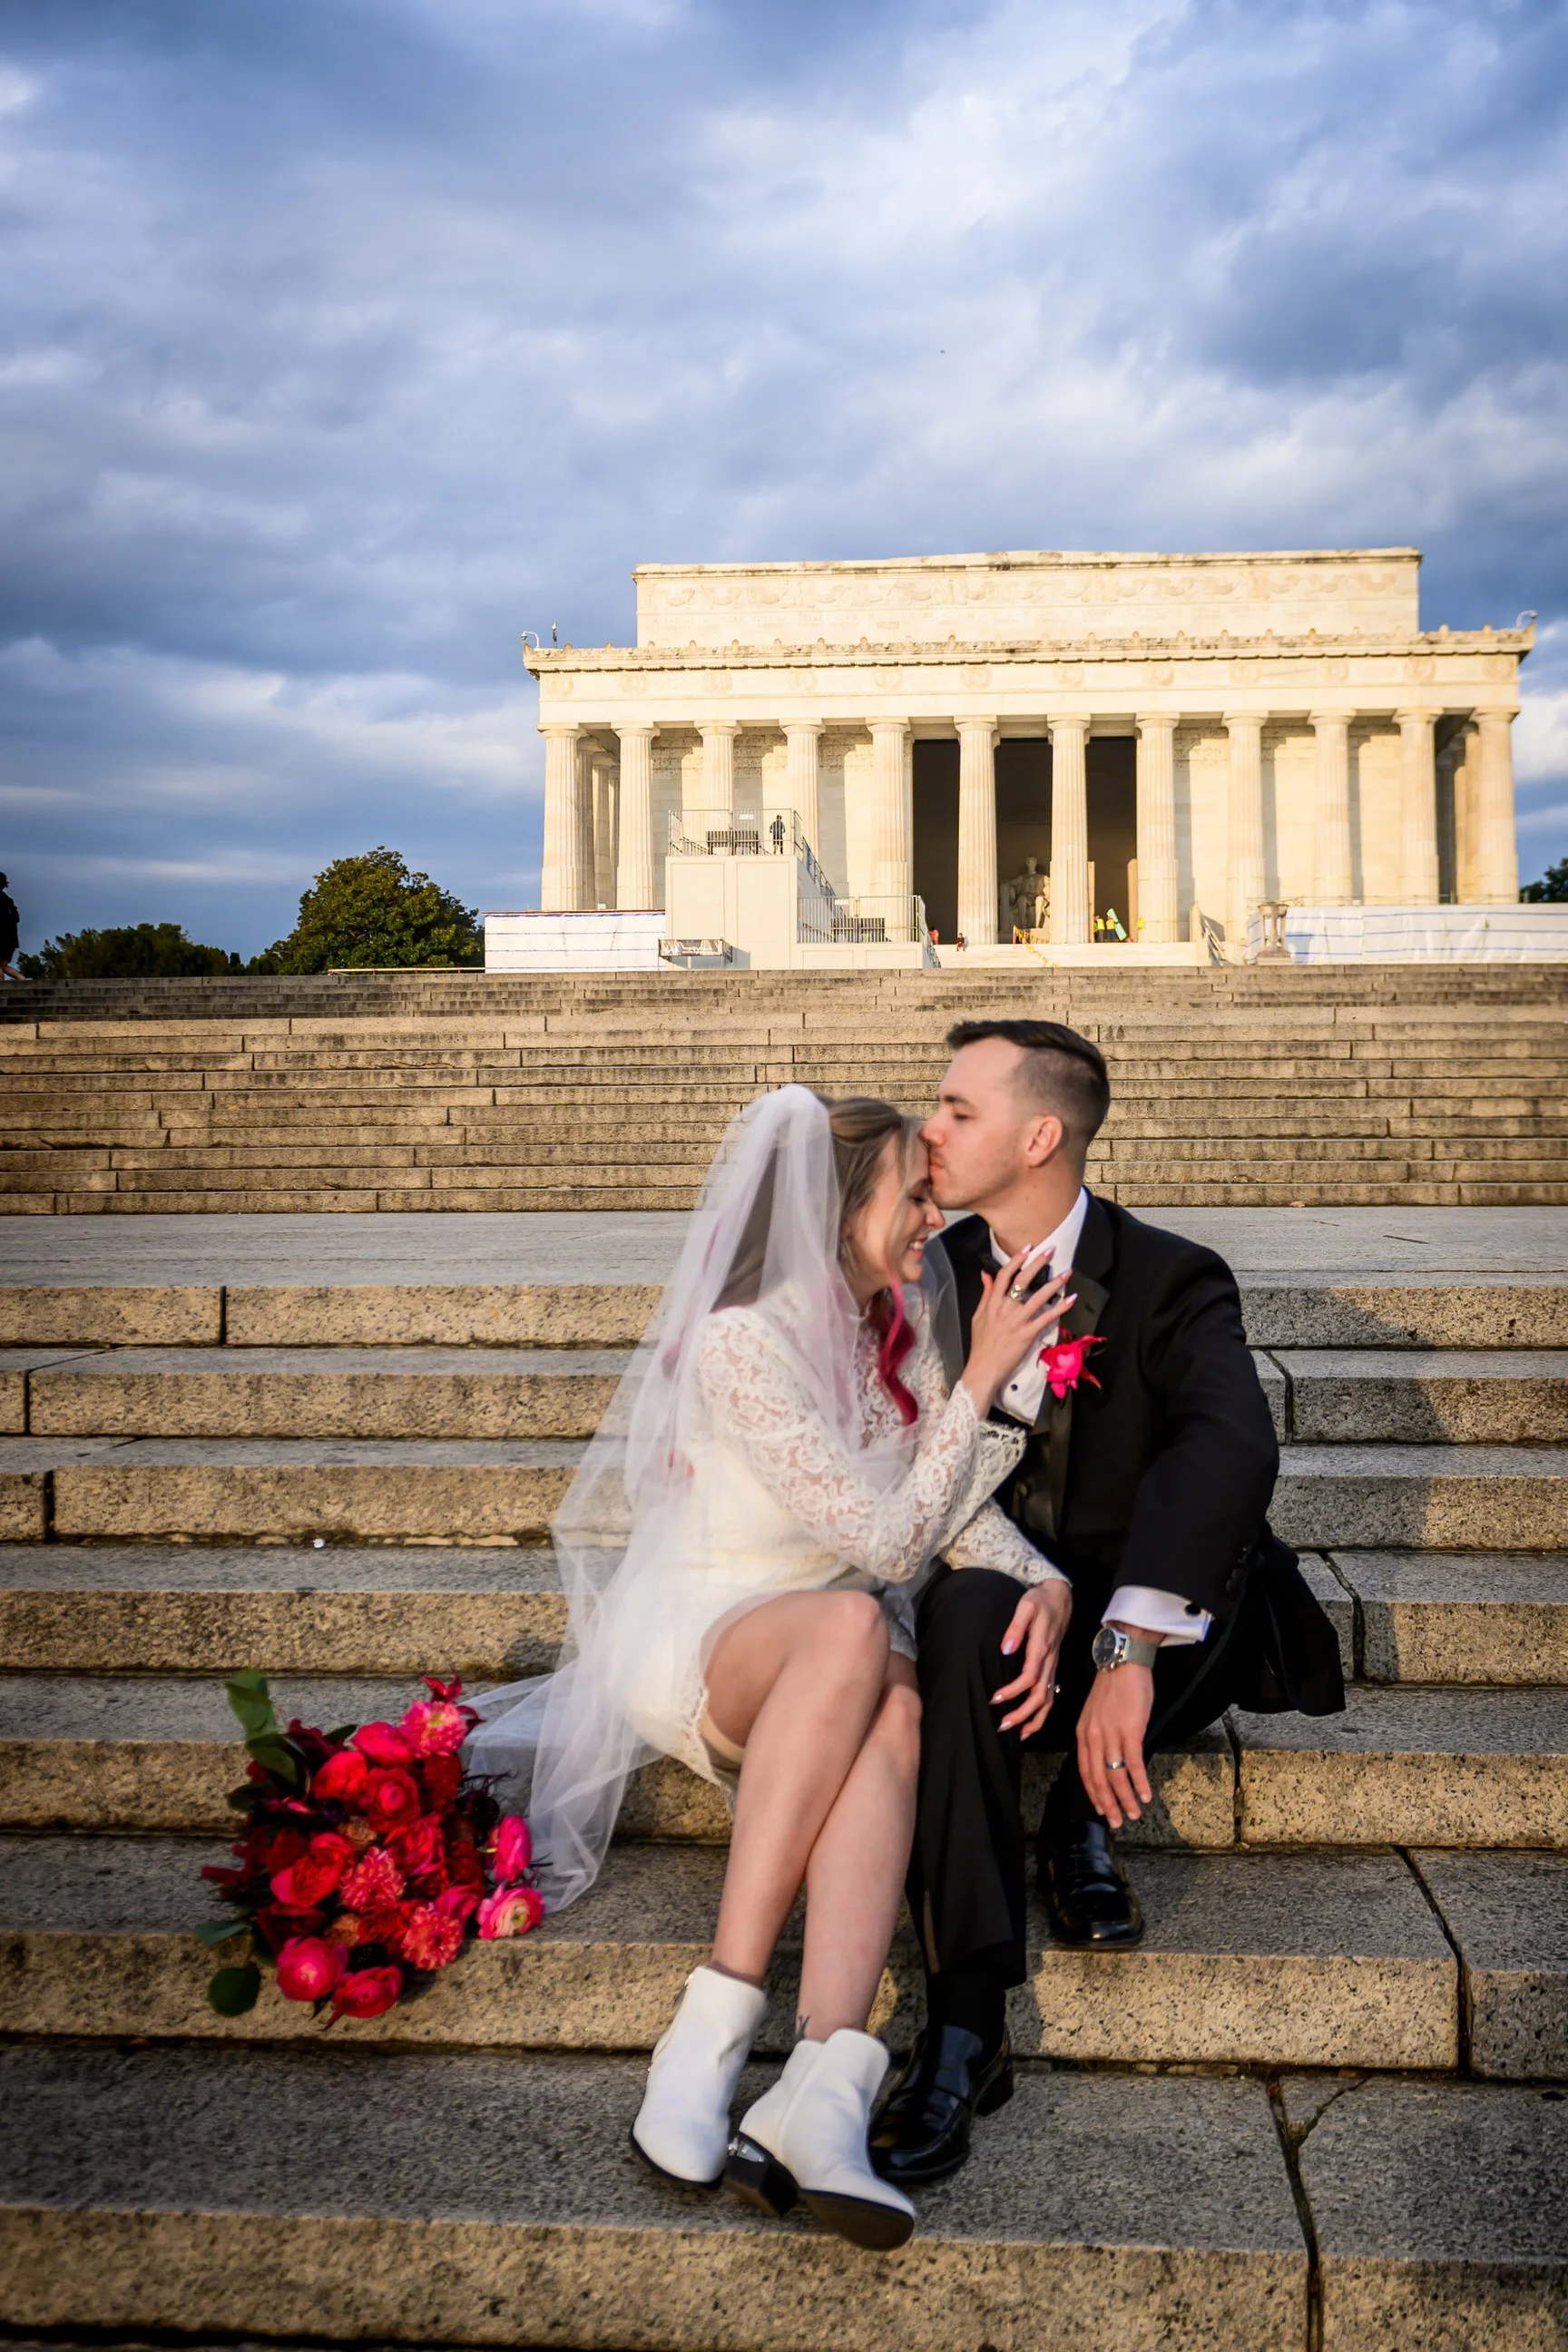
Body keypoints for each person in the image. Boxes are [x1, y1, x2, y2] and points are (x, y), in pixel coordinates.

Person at [466, 1085, 1072, 2250]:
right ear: (839, 1209)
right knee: (857, 1628)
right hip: (711, 1628)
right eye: (913, 1196)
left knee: (897, 1706)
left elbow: (938, 1499)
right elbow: (888, 1542)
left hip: (839, 1644)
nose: (931, 1218)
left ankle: (823, 2084)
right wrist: (981, 1381)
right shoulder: (743, 1340)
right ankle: (709, 2033)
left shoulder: (892, 1324)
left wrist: (1047, 1581)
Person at [870, 1018, 1345, 2188]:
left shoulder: (1174, 1275)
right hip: (997, 1595)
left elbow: (1230, 1447)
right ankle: (966, 2021)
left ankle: (1081, 1815)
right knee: (962, 1614)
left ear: (1041, 1137)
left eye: (958, 1109)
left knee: (1217, 1549)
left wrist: (1126, 1644)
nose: (930, 1129)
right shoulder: (924, 1272)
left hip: (1153, 1620)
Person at [0, 877, 20, 980]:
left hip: (2, 937)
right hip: (11, 940)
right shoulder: (9, 901)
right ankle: (23, 980)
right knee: (4, 966)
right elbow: (16, 918)